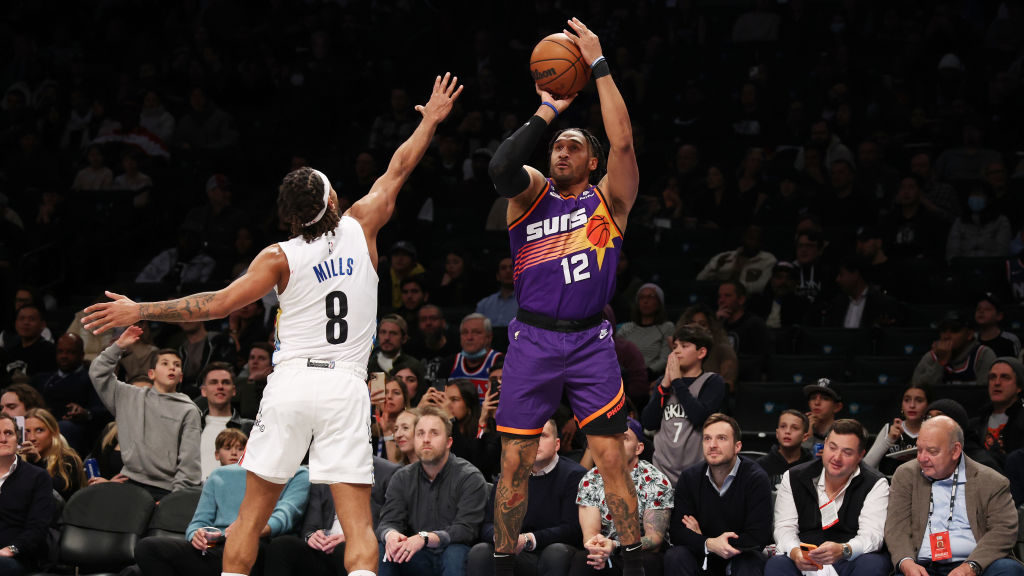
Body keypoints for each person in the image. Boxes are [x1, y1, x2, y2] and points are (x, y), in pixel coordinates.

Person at [81, 72, 462, 576]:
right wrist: (432, 119)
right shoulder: (361, 223)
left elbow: (216, 304)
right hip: (344, 386)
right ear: (331, 201)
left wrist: (141, 309)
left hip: (292, 384)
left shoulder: (277, 257)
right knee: (358, 524)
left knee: (249, 518)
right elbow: (398, 166)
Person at [486, 17, 644, 576]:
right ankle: (504, 562)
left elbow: (623, 139)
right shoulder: (530, 198)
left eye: (573, 146)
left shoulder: (609, 204)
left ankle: (632, 563)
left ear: (593, 162)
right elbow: (501, 166)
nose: (560, 152)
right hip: (531, 338)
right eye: (556, 146)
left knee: (610, 461)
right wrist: (549, 111)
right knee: (514, 461)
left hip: (589, 342)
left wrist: (598, 65)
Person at [884, 415, 1024, 576]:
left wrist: (971, 566)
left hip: (976, 565)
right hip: (921, 565)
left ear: (955, 450)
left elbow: (1003, 530)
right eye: (919, 449)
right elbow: (896, 527)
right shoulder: (906, 475)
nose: (922, 458)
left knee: (1009, 570)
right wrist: (906, 562)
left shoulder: (992, 482)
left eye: (932, 451)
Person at [765, 419, 891, 576]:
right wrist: (796, 552)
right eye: (832, 448)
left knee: (873, 565)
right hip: (805, 553)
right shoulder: (794, 477)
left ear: (860, 455)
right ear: (824, 444)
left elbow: (872, 535)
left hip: (849, 556)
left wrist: (844, 550)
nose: (836, 457)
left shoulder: (875, 483)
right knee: (777, 565)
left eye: (847, 452)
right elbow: (785, 527)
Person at [134, 463, 309, 576]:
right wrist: (197, 534)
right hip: (216, 546)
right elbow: (198, 523)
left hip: (260, 543)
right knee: (147, 548)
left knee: (259, 547)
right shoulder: (221, 474)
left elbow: (286, 515)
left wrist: (250, 529)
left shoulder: (298, 474)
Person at [88, 327, 201, 499]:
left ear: (181, 377)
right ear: (151, 374)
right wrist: (118, 346)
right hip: (130, 482)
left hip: (166, 490)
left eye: (176, 365)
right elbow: (97, 373)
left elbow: (189, 461)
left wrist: (174, 499)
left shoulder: (189, 410)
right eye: (165, 363)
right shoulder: (129, 396)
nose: (172, 367)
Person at [376, 405, 487, 576]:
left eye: (434, 433)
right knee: (385, 549)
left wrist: (425, 538)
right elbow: (388, 521)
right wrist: (390, 535)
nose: (426, 439)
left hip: (453, 552)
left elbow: (466, 529)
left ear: (449, 442)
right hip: (417, 556)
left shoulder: (469, 477)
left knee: (454, 552)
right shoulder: (401, 477)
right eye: (420, 434)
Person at [468, 419, 586, 576]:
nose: (535, 441)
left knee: (555, 553)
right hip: (516, 553)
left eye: (543, 436)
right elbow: (488, 524)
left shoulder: (574, 475)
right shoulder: (508, 476)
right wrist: (500, 536)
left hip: (554, 553)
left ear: (557, 444)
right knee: (480, 552)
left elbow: (573, 530)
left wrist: (528, 539)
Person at [665, 414, 772, 576]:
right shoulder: (689, 478)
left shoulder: (756, 478)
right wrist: (708, 543)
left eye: (721, 438)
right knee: (676, 556)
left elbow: (759, 536)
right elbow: (677, 532)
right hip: (702, 553)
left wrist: (705, 539)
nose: (712, 445)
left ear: (737, 446)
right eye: (707, 439)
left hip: (741, 556)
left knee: (750, 564)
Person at [570, 419, 671, 576]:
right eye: (611, 438)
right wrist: (598, 548)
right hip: (606, 553)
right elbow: (590, 533)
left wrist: (616, 545)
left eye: (624, 438)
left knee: (649, 561)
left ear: (638, 448)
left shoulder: (655, 480)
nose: (616, 444)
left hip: (639, 553)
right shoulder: (591, 479)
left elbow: (654, 539)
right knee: (584, 559)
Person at [640, 324, 727, 486]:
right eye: (675, 346)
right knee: (656, 513)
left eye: (684, 346)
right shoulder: (664, 383)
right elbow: (648, 423)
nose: (676, 351)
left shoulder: (712, 382)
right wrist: (665, 384)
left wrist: (677, 382)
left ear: (701, 352)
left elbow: (700, 417)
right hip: (661, 475)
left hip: (696, 474)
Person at [0, 413, 54, 575]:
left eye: (8, 433)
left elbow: (38, 528)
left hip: (19, 558)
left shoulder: (37, 477)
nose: (2, 439)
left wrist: (11, 549)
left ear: (18, 438)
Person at [198, 362, 253, 479]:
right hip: (194, 493)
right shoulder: (193, 426)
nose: (220, 387)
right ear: (203, 391)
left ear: (234, 390)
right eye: (213, 382)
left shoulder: (249, 428)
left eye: (225, 382)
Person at [968, 357, 1024, 468]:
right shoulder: (974, 425)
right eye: (992, 377)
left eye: (1005, 377)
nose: (997, 383)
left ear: (1019, 387)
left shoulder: (1021, 422)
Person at [20, 407, 86, 500]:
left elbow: (59, 495)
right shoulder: (17, 461)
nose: (32, 438)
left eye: (39, 430)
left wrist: (37, 461)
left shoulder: (68, 460)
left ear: (53, 432)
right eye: (27, 431)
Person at [913, 315, 996, 387]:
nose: (946, 336)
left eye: (954, 330)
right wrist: (940, 364)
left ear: (969, 334)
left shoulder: (983, 355)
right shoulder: (932, 356)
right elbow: (916, 391)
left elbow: (986, 394)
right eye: (943, 330)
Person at [864, 384, 929, 475]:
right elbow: (866, 466)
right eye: (907, 400)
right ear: (902, 405)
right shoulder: (889, 428)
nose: (912, 405)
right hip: (889, 485)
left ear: (928, 405)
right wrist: (889, 440)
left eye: (919, 400)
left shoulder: (932, 431)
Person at [445, 313, 503, 401]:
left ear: (489, 337)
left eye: (476, 332)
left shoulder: (502, 362)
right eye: (465, 332)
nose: (469, 337)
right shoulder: (448, 363)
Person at [756, 409, 813, 486]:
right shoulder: (759, 466)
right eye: (783, 426)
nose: (787, 431)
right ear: (777, 433)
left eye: (795, 428)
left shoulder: (813, 466)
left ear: (805, 437)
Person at [803, 378, 844, 455]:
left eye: (825, 398)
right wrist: (807, 435)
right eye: (813, 398)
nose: (817, 402)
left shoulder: (844, 434)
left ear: (837, 407)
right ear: (809, 403)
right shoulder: (797, 431)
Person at [476, 257, 519, 332]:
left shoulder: (526, 303)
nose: (508, 271)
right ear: (498, 276)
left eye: (512, 267)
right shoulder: (483, 305)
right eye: (503, 268)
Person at [973, 294, 1021, 359]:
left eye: (987, 309)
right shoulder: (971, 340)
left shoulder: (1010, 340)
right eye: (978, 309)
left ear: (999, 316)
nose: (981, 311)